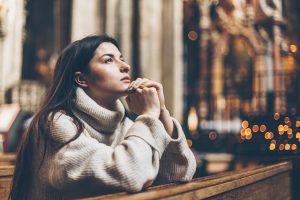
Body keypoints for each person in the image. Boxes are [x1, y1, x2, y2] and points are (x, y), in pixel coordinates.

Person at [9, 35, 196, 199]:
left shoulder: (126, 126)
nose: (126, 66)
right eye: (108, 60)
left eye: (121, 59)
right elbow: (130, 174)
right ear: (81, 79)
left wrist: (162, 113)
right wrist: (149, 116)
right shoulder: (56, 123)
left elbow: (179, 174)